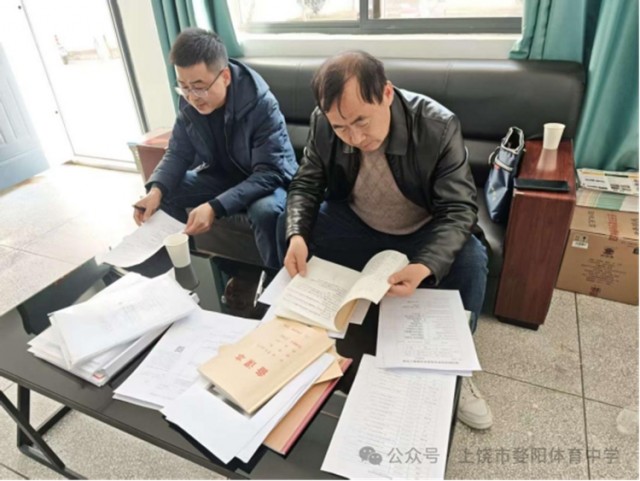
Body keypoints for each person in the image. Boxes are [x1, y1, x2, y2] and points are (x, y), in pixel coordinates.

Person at [279, 51, 492, 430]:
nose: (355, 137)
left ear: (387, 94)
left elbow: (459, 208)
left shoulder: (437, 125)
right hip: (356, 223)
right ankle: (299, 343)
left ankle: (456, 371)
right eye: (341, 128)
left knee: (471, 260)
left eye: (361, 120)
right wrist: (296, 234)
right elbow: (307, 183)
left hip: (421, 231)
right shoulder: (324, 123)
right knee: (289, 224)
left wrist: (425, 264)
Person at [134, 28, 297, 270]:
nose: (193, 97)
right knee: (166, 192)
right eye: (184, 87)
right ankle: (181, 269)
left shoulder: (262, 105)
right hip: (222, 178)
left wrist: (215, 206)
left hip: (266, 183)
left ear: (225, 77)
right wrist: (155, 189)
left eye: (199, 87)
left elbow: (270, 173)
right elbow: (178, 152)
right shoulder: (189, 103)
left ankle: (274, 279)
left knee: (265, 213)